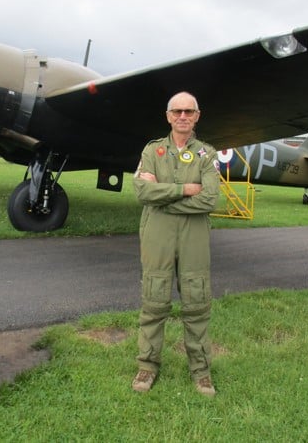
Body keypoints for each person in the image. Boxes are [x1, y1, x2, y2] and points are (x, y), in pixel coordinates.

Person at [132, 91, 220, 397]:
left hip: (194, 236)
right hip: (158, 234)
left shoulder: (207, 155)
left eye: (189, 111)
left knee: (196, 303)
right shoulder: (152, 151)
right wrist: (184, 189)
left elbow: (209, 198)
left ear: (197, 116)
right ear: (168, 116)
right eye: (177, 111)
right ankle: (147, 365)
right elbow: (142, 193)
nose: (183, 116)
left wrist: (165, 197)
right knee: (154, 301)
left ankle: (201, 371)